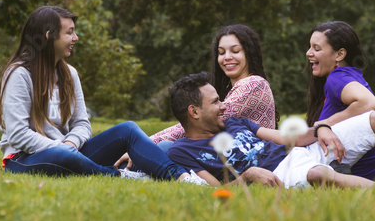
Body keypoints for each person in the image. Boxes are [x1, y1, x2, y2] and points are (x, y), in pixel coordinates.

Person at [0, 6, 203, 183]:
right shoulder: (19, 74)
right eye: (69, 32)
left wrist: (71, 144)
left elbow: (82, 124)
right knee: (61, 155)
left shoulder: (69, 74)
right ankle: (119, 175)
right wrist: (62, 148)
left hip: (69, 152)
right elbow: (18, 134)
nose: (75, 38)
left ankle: (181, 177)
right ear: (49, 36)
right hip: (24, 158)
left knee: (128, 129)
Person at [166, 72, 375, 196]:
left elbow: (288, 139)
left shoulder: (236, 121)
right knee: (318, 175)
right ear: (193, 112)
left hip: (300, 151)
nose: (224, 104)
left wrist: (321, 127)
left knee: (374, 120)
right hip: (281, 172)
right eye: (215, 102)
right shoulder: (182, 151)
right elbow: (216, 191)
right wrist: (248, 176)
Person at [115, 24, 278, 169]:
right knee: (168, 148)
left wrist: (145, 144)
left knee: (166, 148)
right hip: (225, 159)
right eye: (221, 52)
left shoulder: (254, 84)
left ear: (249, 53)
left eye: (235, 51)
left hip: (253, 162)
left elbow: (197, 122)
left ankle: (117, 169)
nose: (227, 57)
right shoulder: (230, 88)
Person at [306, 21, 375, 185]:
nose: (308, 53)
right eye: (310, 47)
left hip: (364, 182)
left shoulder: (337, 77)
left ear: (339, 55)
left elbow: (370, 103)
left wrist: (324, 124)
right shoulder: (350, 76)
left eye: (316, 49)